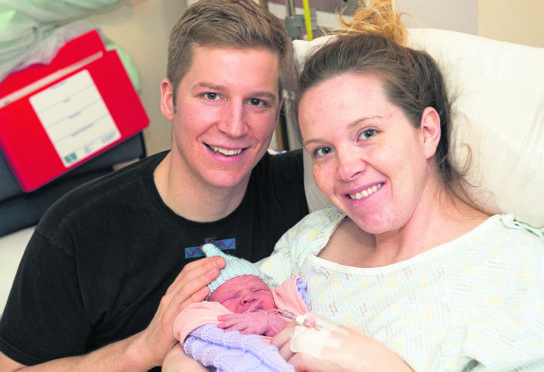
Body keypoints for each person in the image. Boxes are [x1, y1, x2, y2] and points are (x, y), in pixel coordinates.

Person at [0, 0, 309, 371]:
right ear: (169, 98)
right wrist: (143, 349)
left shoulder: (306, 189)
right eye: (212, 95)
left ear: (277, 115)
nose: (234, 126)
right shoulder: (78, 232)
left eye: (257, 102)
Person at [259, 0, 544, 371]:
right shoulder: (312, 238)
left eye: (368, 133)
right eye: (323, 150)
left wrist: (378, 365)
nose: (346, 168)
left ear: (427, 132)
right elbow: (224, 323)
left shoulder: (518, 272)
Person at [169, 244, 307, 371]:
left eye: (258, 290)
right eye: (231, 297)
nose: (248, 297)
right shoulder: (213, 328)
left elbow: (307, 336)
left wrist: (270, 321)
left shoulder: (285, 312)